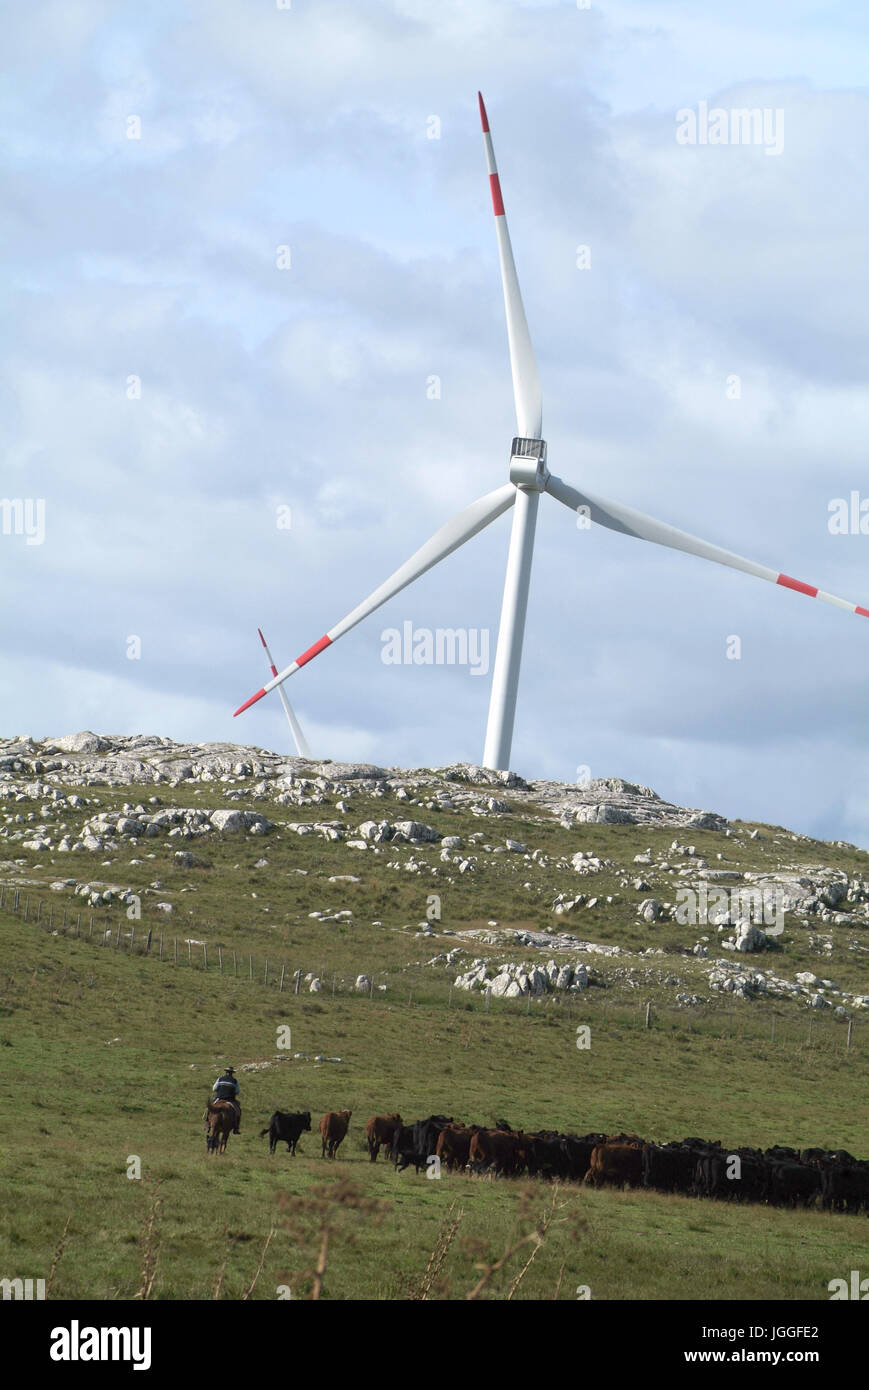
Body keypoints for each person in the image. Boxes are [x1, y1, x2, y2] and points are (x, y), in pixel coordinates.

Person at [212, 1066, 241, 1133]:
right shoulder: (235, 1081)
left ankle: (207, 1124)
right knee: (238, 1111)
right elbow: (237, 1091)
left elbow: (214, 1089)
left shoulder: (220, 1079)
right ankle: (236, 1127)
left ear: (226, 1072)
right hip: (230, 1100)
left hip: (219, 1098)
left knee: (209, 1108)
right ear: (232, 1073)